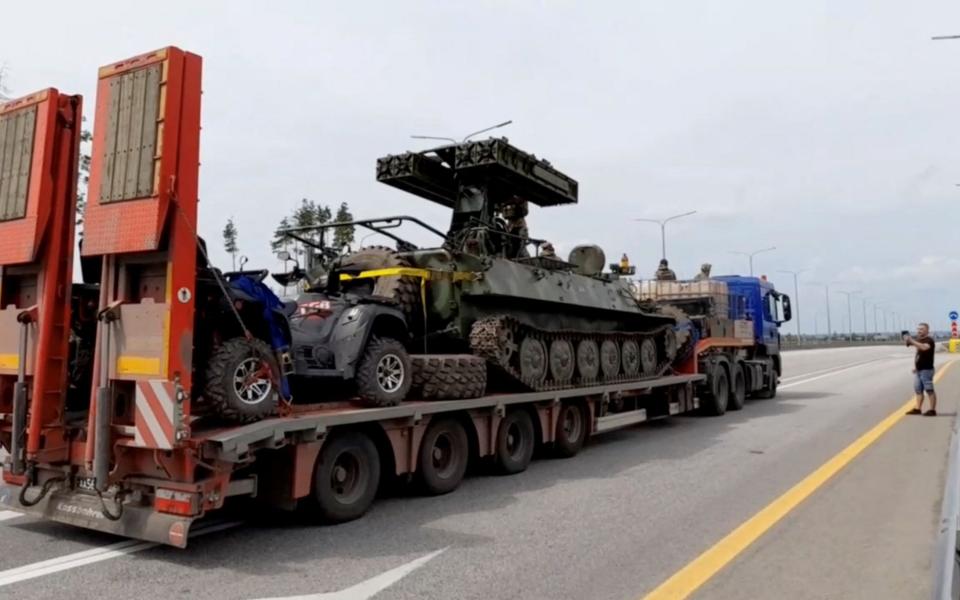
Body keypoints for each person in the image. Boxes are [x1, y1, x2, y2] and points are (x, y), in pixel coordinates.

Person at [905, 322, 937, 416]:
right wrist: (915, 367)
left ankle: (932, 410)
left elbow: (924, 348)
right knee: (918, 390)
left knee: (929, 390)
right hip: (919, 370)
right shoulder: (919, 340)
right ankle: (918, 409)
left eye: (922, 329)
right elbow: (918, 353)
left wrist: (912, 341)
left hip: (927, 370)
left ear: (927, 330)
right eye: (918, 329)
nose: (919, 331)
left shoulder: (929, 340)